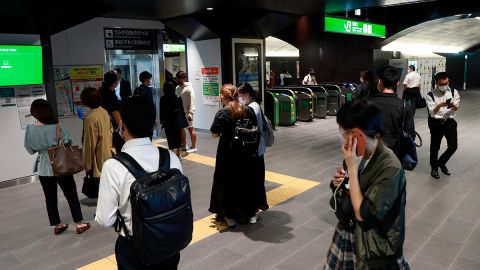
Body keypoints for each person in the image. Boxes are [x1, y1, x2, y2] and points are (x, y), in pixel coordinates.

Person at [95, 96, 183, 270]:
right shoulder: (170, 157)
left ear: (122, 124)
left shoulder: (113, 166)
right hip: (170, 241)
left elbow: (105, 220)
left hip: (135, 248)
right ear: (154, 123)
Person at [335, 100, 409, 269]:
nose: (343, 136)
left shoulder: (390, 167)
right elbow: (348, 189)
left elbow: (364, 214)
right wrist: (338, 183)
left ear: (357, 134)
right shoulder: (357, 153)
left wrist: (352, 170)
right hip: (350, 234)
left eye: (345, 132)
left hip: (374, 246)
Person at [24, 99, 90, 235]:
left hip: (43, 168)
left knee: (50, 197)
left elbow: (30, 149)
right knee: (71, 194)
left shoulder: (30, 129)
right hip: (62, 166)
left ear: (34, 113)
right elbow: (68, 141)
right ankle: (79, 223)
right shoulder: (58, 126)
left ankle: (58, 225)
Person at [209, 84, 262, 227]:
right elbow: (255, 129)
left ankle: (230, 216)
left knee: (227, 183)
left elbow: (214, 134)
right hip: (246, 152)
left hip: (227, 153)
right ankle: (250, 213)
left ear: (223, 96)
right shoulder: (248, 110)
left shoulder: (223, 113)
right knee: (245, 181)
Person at [237, 83, 269, 221]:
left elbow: (251, 133)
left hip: (253, 151)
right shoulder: (257, 106)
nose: (239, 98)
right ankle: (256, 207)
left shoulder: (250, 109)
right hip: (259, 149)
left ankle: (252, 211)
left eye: (241, 95)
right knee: (257, 179)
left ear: (247, 94)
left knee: (252, 181)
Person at [368, 66, 414, 157]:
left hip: (371, 153)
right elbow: (410, 132)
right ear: (397, 83)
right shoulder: (404, 105)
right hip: (394, 154)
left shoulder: (367, 103)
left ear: (379, 81)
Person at [426, 72, 460, 180]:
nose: (445, 86)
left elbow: (456, 109)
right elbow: (432, 112)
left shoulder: (454, 92)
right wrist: (440, 105)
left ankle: (441, 163)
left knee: (453, 146)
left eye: (447, 83)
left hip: (449, 121)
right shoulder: (430, 95)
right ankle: (434, 168)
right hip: (436, 123)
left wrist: (453, 107)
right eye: (442, 84)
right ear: (436, 84)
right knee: (435, 147)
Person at [80, 87, 113, 179]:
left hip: (98, 160)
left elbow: (89, 144)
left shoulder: (90, 118)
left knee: (98, 189)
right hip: (108, 154)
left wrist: (87, 165)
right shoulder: (104, 112)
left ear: (85, 101)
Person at [100, 70, 123, 154]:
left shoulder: (100, 92)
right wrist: (122, 129)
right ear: (114, 82)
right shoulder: (110, 95)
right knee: (120, 148)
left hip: (102, 124)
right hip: (112, 126)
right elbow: (115, 113)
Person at [160, 81, 185, 158]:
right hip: (177, 120)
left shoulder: (163, 98)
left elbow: (162, 111)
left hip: (168, 121)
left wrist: (162, 121)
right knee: (178, 136)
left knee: (170, 137)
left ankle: (172, 154)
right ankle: (179, 153)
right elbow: (182, 110)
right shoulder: (178, 97)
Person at [175, 71, 197, 153]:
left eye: (179, 79)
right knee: (181, 129)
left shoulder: (189, 88)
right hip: (180, 112)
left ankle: (194, 146)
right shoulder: (177, 88)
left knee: (191, 129)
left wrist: (191, 113)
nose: (177, 80)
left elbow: (192, 102)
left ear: (184, 78)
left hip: (188, 113)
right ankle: (184, 145)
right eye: (177, 78)